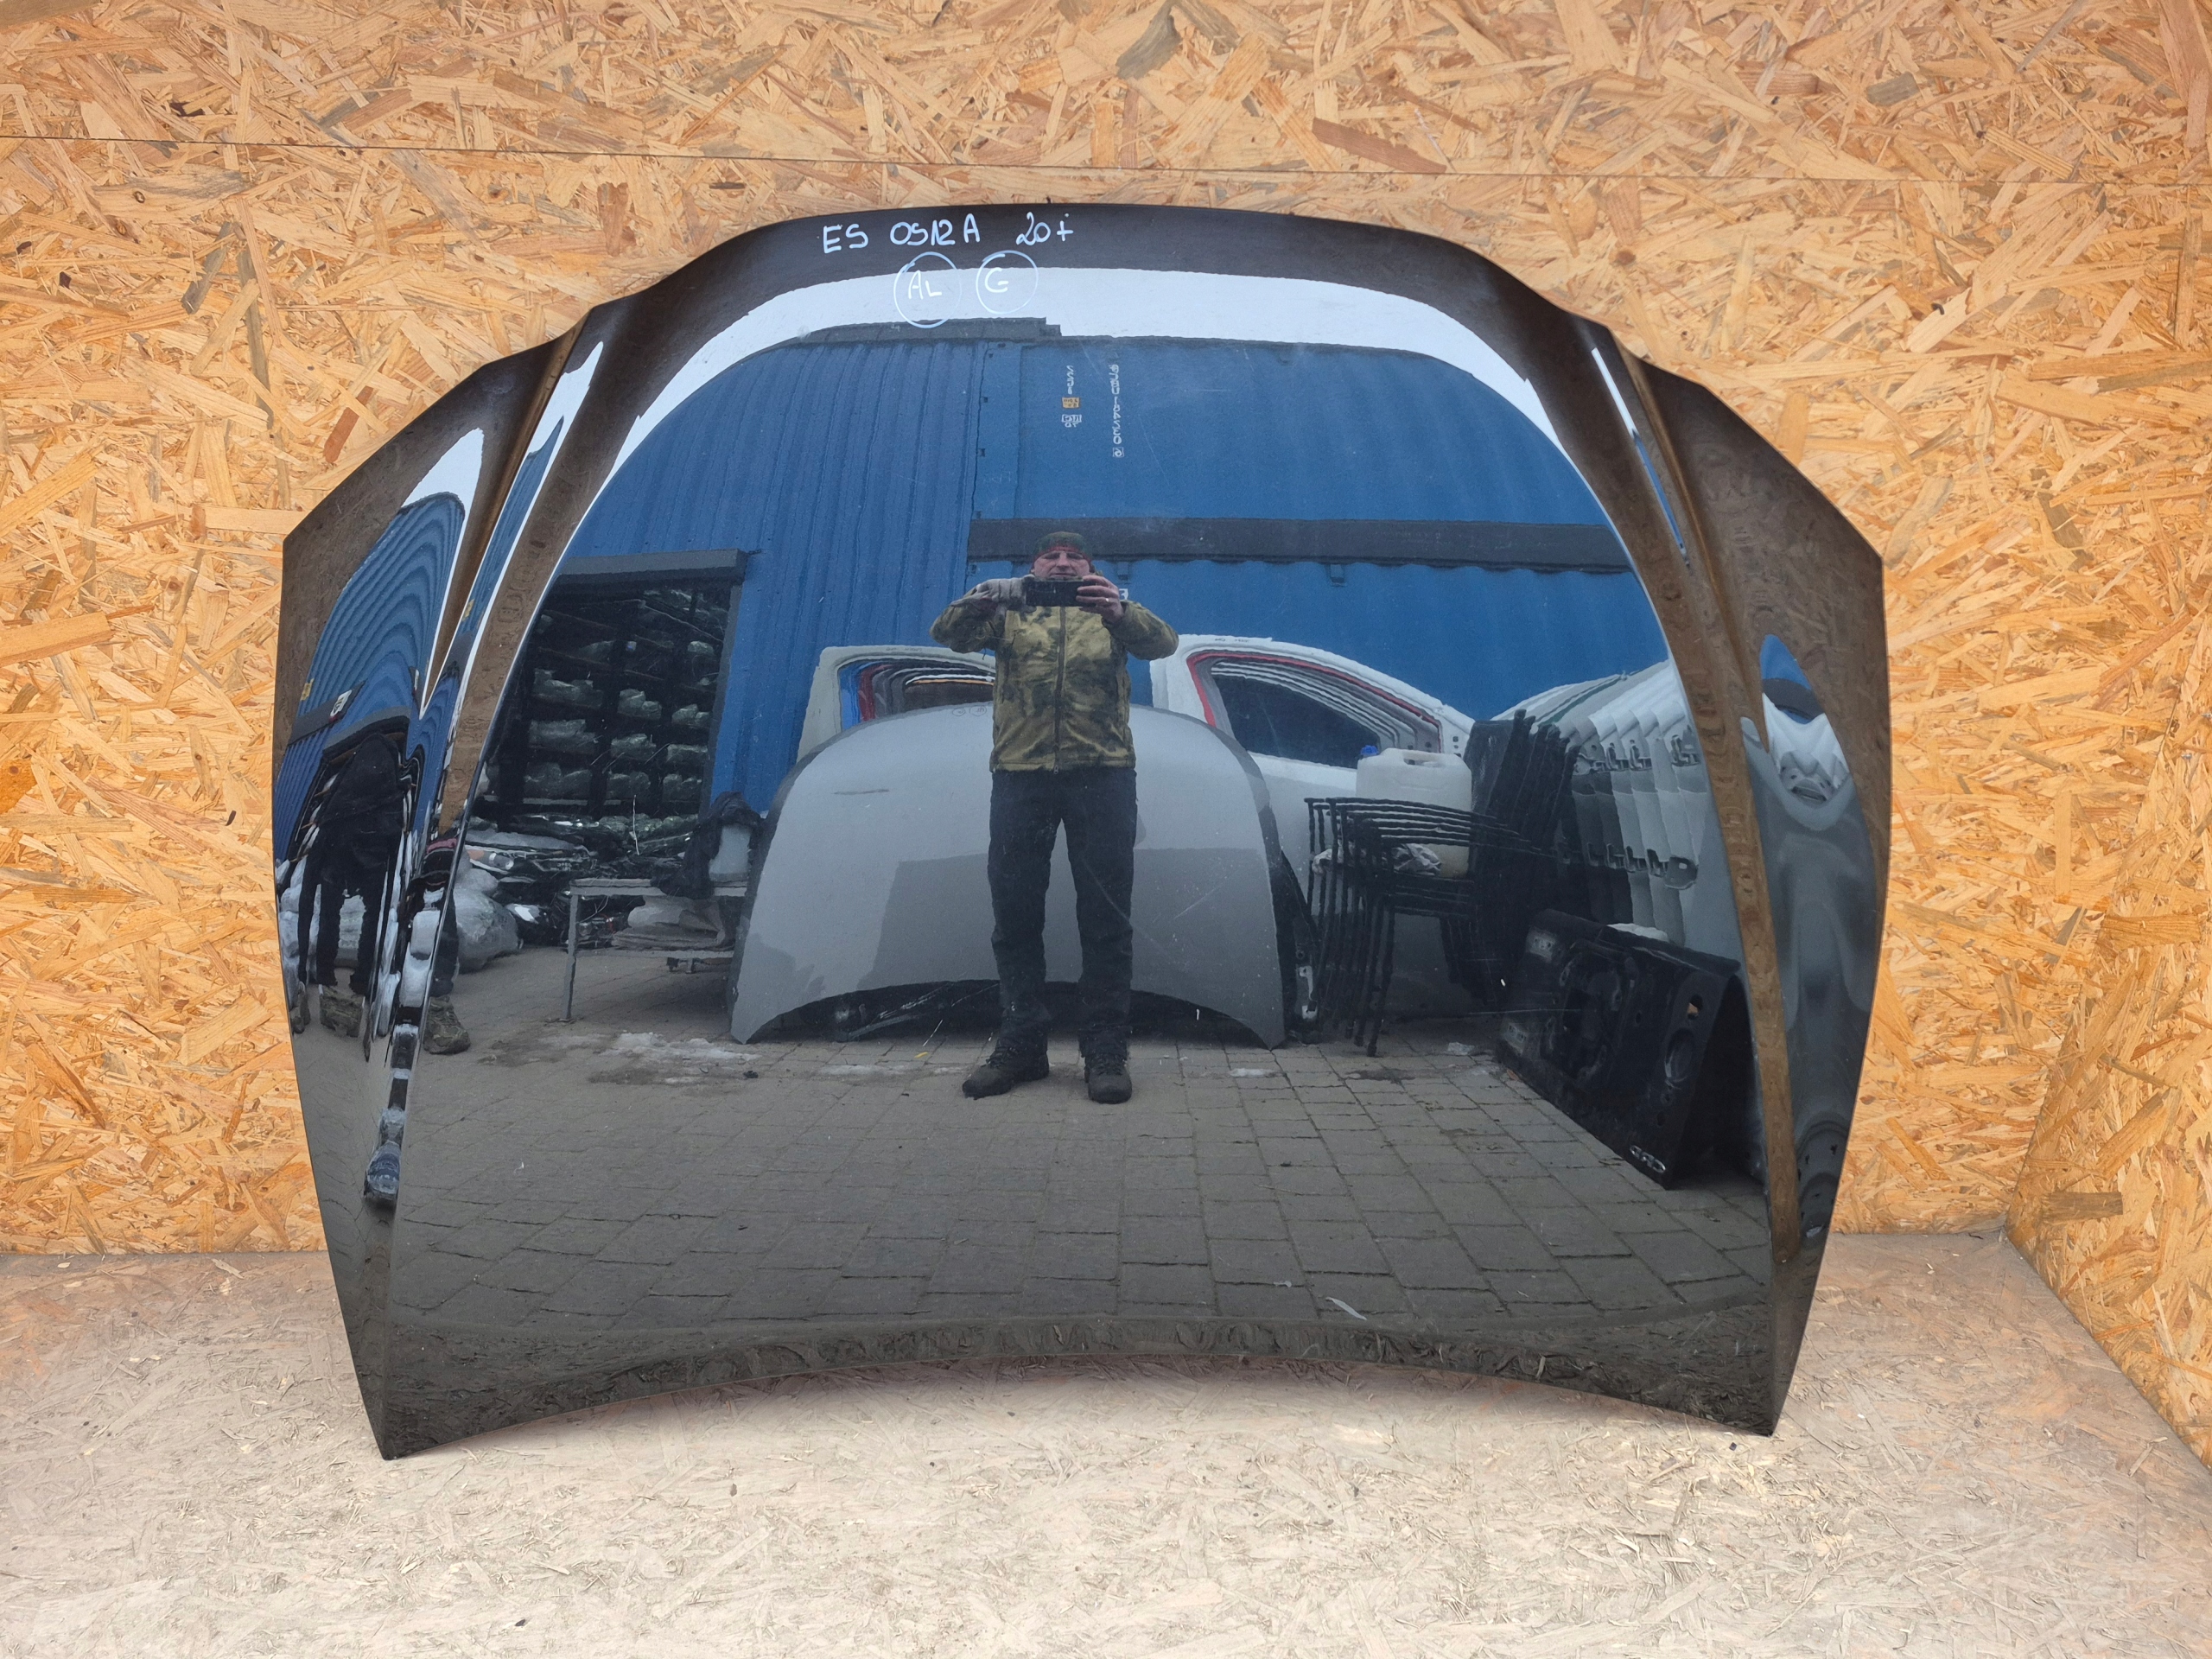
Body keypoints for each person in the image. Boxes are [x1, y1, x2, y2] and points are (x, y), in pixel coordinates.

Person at [931, 531, 1178, 1103]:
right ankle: (1022, 1047)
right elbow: (948, 636)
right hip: (1021, 775)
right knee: (1015, 914)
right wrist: (980, 602)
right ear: (1033, 566)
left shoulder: (1111, 610)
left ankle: (1106, 1051)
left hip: (1103, 775)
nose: (1063, 564)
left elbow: (1162, 645)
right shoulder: (1009, 610)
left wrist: (1119, 612)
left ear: (1091, 567)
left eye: (1075, 557)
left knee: (1106, 917)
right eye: (1051, 556)